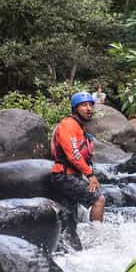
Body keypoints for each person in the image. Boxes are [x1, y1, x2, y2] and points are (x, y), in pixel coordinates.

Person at [49, 91, 105, 222]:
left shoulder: (79, 127)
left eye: (90, 105)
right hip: (64, 177)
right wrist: (90, 175)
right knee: (98, 199)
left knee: (71, 215)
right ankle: (98, 236)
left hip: (72, 175)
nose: (89, 108)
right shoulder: (68, 125)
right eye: (84, 105)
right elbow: (73, 154)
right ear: (75, 108)